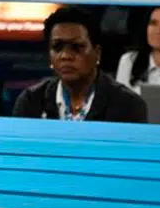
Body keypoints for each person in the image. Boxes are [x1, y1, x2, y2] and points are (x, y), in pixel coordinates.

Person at [11, 6, 147, 123]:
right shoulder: (31, 102)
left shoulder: (128, 105)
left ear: (97, 53)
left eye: (77, 47)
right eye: (57, 47)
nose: (65, 56)